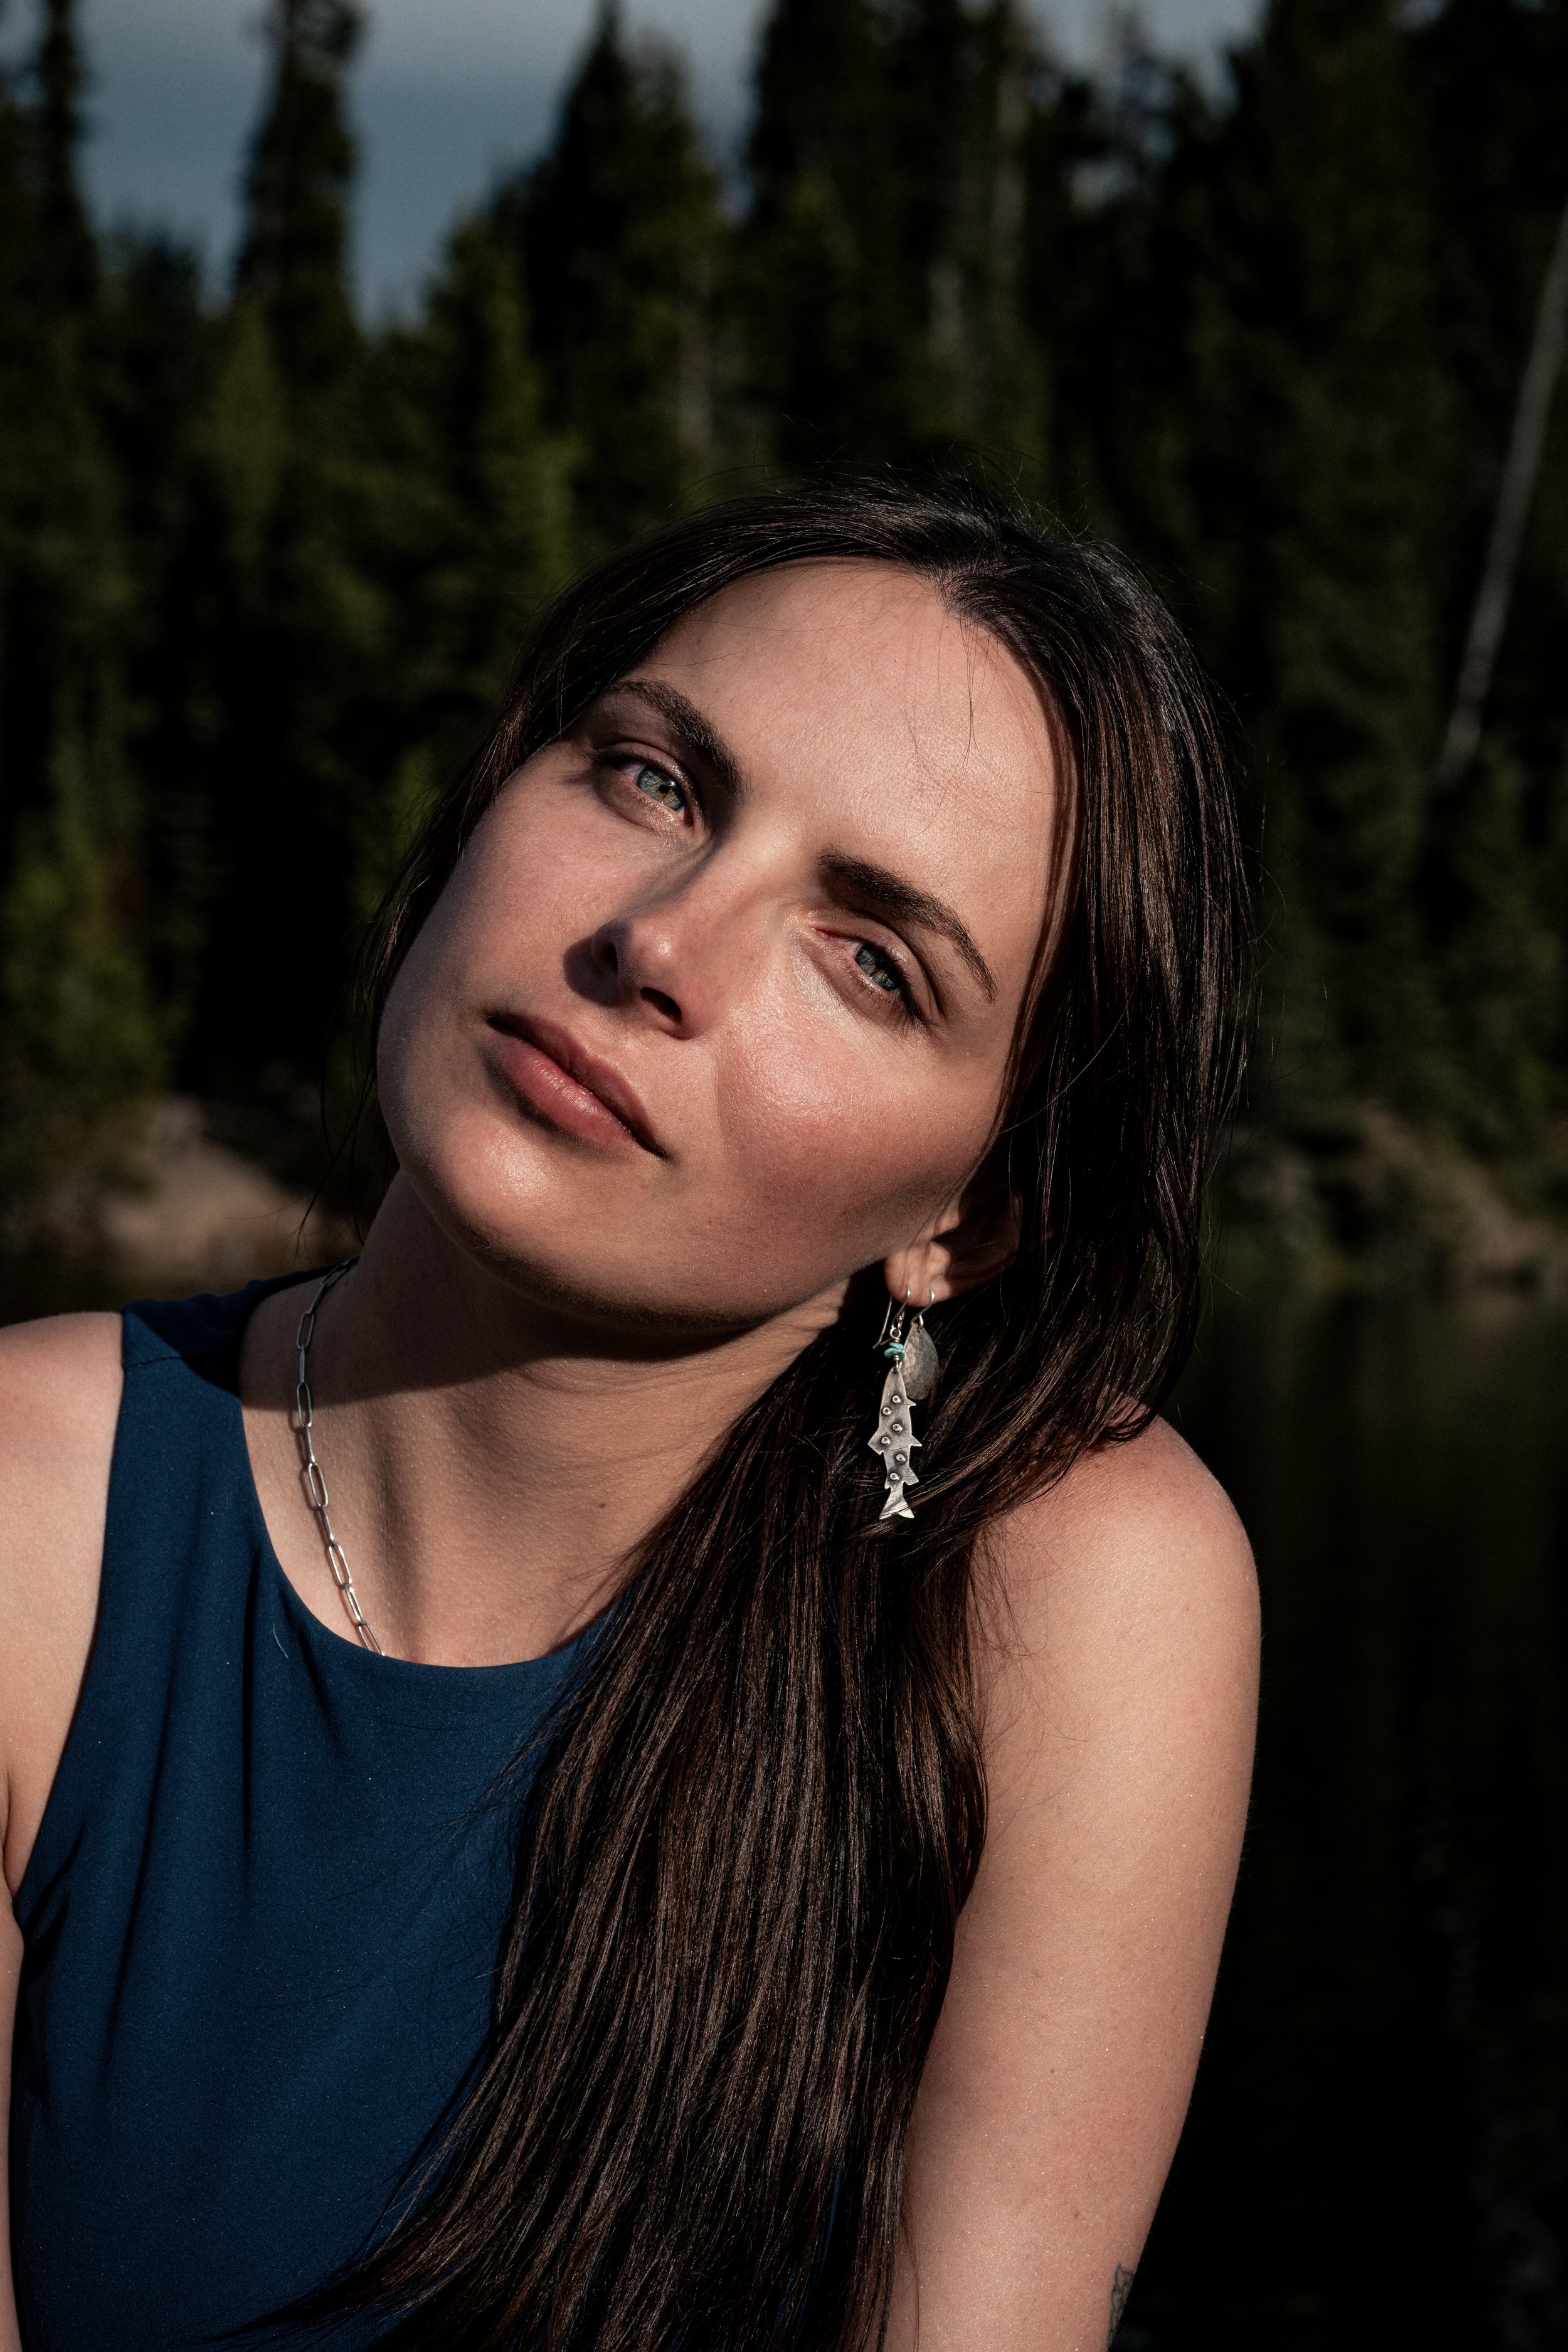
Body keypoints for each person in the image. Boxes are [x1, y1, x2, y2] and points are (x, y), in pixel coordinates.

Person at [0, 476, 1259, 2352]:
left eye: (869, 960)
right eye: (655, 782)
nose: (660, 943)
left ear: (963, 1220)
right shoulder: (36, 1511)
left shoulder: (1063, 1595)